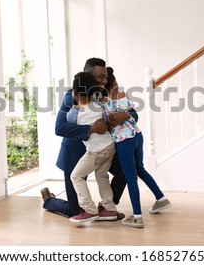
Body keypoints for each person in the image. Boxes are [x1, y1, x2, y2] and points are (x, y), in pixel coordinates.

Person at [41, 58, 137, 219]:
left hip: (105, 148)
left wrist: (123, 114)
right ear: (88, 76)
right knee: (74, 210)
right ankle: (49, 200)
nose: (104, 80)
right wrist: (91, 128)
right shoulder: (72, 96)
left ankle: (107, 207)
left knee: (126, 166)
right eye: (100, 77)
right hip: (75, 153)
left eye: (105, 76)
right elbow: (59, 127)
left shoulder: (106, 94)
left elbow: (133, 113)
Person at [103, 67, 171, 228]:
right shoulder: (123, 95)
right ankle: (161, 199)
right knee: (140, 169)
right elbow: (133, 113)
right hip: (137, 135)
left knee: (130, 176)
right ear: (115, 83)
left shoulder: (103, 103)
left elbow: (107, 124)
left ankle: (137, 216)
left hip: (124, 140)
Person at [67, 72, 117, 223]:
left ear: (75, 93)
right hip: (110, 146)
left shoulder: (73, 114)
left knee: (76, 176)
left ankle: (89, 209)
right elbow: (106, 122)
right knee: (101, 176)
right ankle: (109, 208)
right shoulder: (99, 107)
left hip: (96, 151)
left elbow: (68, 127)